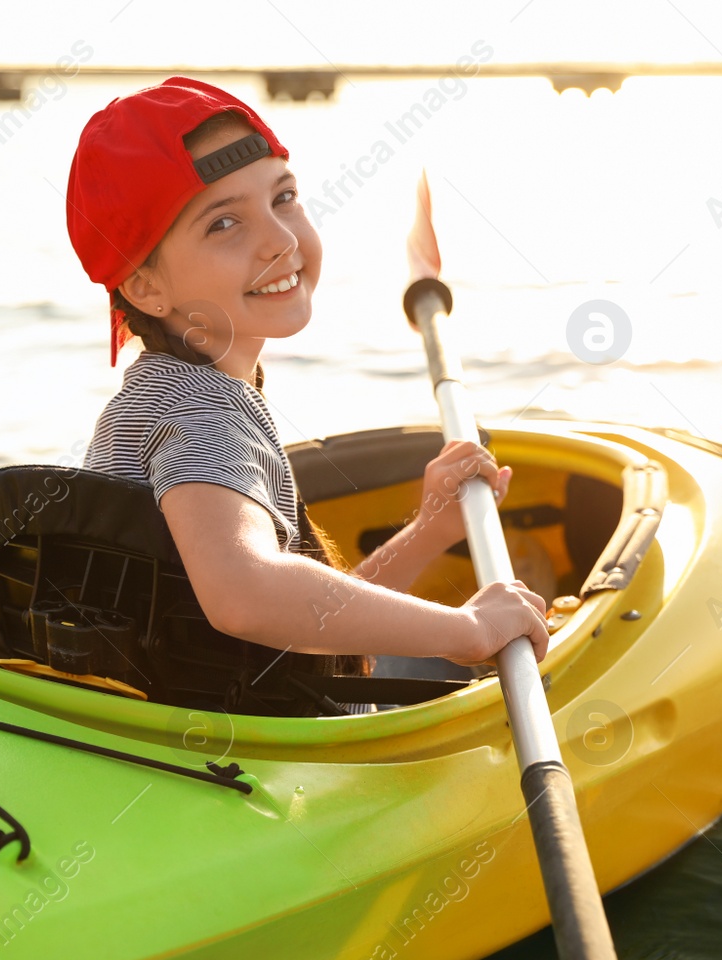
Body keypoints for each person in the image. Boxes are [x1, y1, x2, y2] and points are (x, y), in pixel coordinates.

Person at [64, 77, 548, 713]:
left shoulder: (163, 391)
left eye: (284, 197)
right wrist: (469, 630)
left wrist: (430, 529)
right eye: (225, 223)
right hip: (270, 765)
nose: (281, 240)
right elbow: (247, 595)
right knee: (531, 608)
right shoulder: (200, 413)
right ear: (146, 287)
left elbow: (304, 629)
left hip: (240, 706)